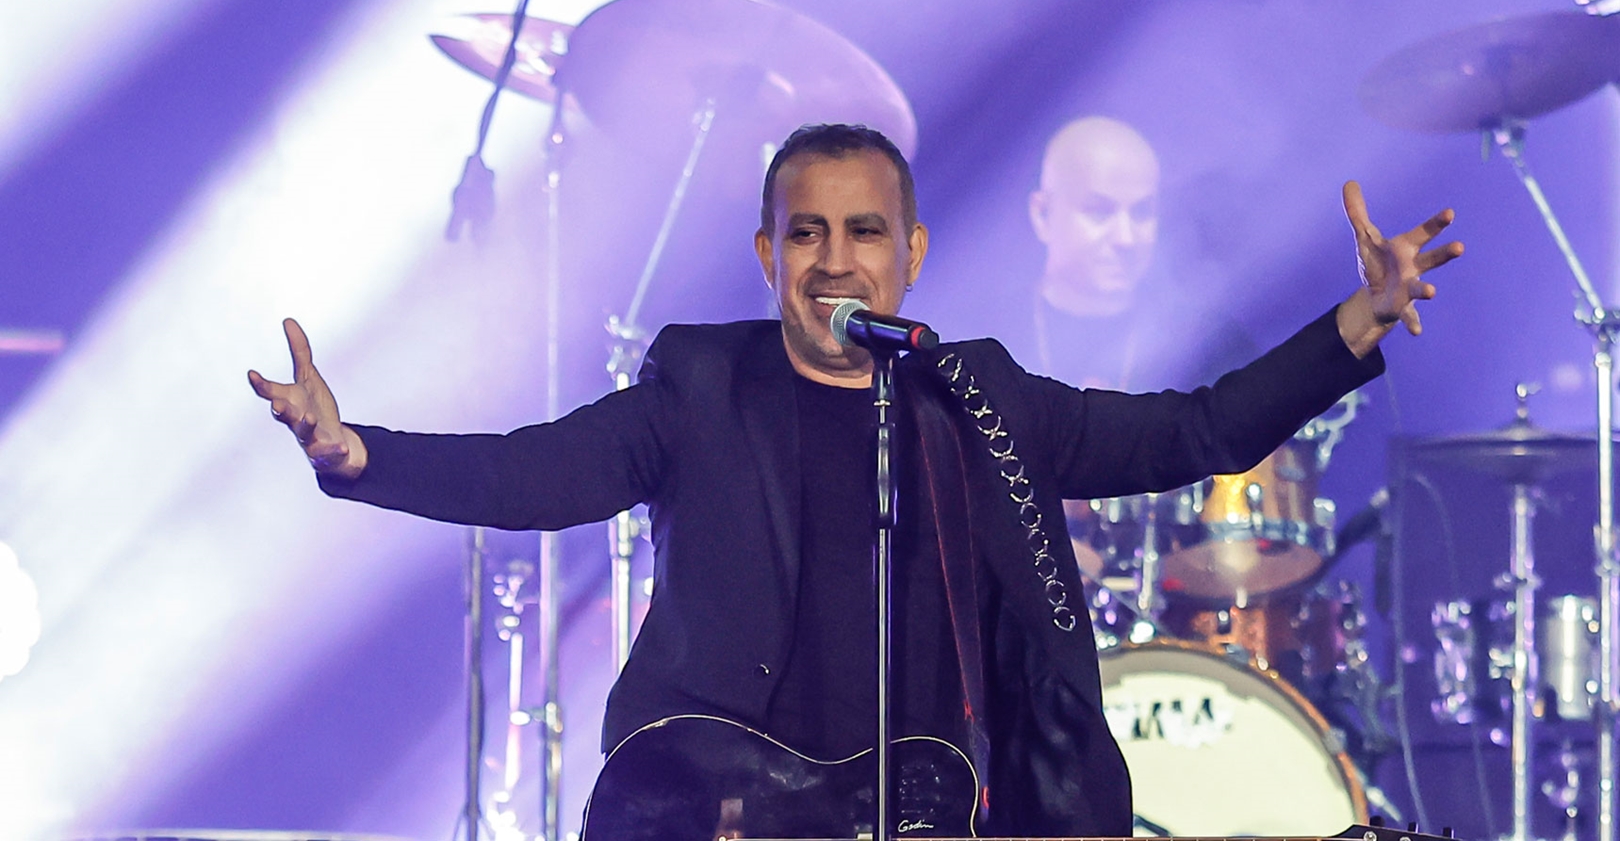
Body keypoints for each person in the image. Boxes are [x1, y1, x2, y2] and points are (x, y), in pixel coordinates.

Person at [248, 124, 1461, 837]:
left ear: (911, 253)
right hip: (720, 810)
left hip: (929, 808)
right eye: (808, 232)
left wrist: (1352, 324)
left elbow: (1194, 430)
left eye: (865, 231)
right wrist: (362, 453)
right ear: (768, 252)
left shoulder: (979, 398)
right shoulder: (698, 386)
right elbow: (534, 471)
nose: (836, 259)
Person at [1026, 115, 1253, 391]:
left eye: (1141, 212)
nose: (1126, 238)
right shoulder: (991, 336)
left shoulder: (1211, 346)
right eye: (1099, 211)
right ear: (1042, 214)